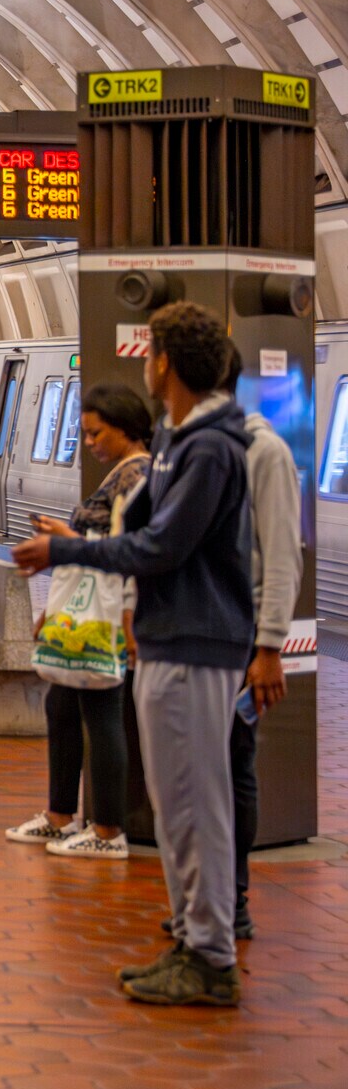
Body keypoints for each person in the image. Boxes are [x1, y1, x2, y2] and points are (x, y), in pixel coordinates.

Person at [11, 302, 252, 1007]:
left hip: (196, 641)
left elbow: (161, 547)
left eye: (150, 354)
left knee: (196, 801)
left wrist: (66, 550)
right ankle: (193, 937)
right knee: (176, 803)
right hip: (173, 635)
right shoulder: (183, 440)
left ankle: (211, 957)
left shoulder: (210, 449)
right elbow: (144, 527)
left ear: (165, 362)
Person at [5, 383, 153, 860]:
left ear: (126, 428)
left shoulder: (137, 476)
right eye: (85, 434)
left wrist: (127, 616)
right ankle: (60, 816)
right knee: (63, 707)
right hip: (87, 610)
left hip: (107, 615)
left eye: (96, 433)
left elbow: (128, 550)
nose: (89, 443)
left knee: (102, 716)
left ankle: (108, 830)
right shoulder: (123, 472)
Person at [222, 344, 302, 939]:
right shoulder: (186, 445)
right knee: (202, 772)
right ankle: (206, 897)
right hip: (201, 636)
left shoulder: (264, 451)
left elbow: (281, 555)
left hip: (242, 635)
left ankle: (235, 899)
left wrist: (270, 644)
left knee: (234, 762)